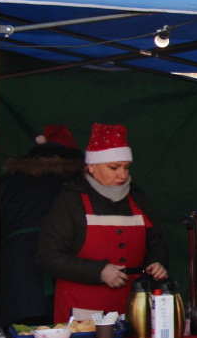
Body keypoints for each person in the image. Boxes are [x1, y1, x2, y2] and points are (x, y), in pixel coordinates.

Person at [37, 123, 168, 324]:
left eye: (126, 167)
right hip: (82, 313)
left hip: (133, 309)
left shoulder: (138, 199)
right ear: (91, 166)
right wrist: (98, 271)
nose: (122, 175)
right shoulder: (71, 201)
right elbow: (48, 256)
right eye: (114, 168)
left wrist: (156, 263)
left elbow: (156, 243)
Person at [0, 125, 84, 330]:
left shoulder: (6, 183)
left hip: (16, 292)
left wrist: (3, 279)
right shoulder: (80, 183)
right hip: (70, 294)